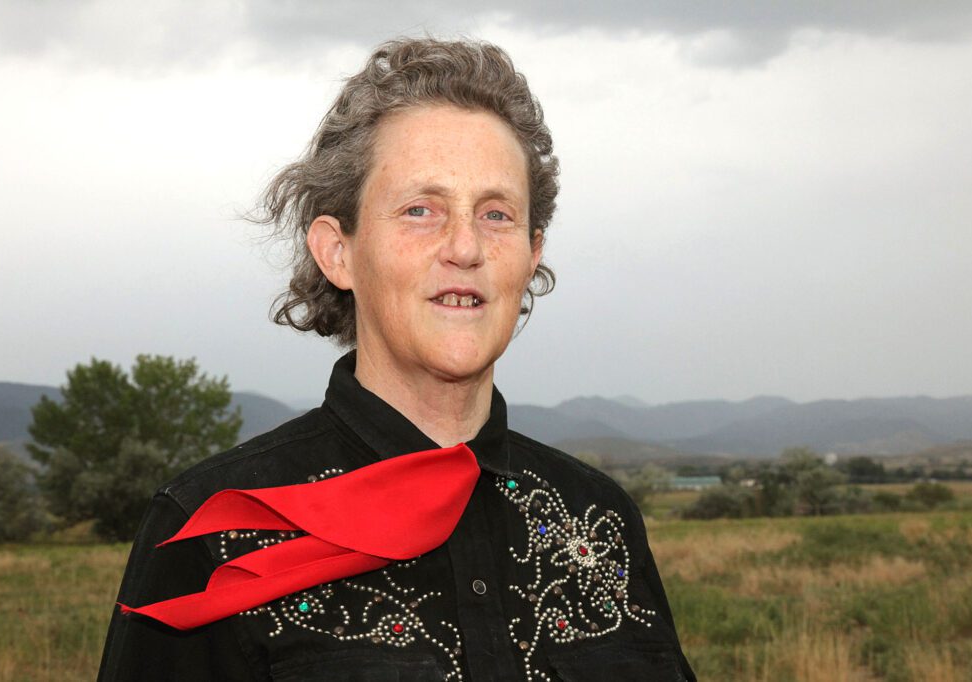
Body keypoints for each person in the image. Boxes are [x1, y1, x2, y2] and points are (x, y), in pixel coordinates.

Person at [98, 37, 696, 681]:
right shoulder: (213, 528)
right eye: (420, 210)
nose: (465, 247)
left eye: (496, 214)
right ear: (338, 253)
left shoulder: (600, 520)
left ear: (532, 255)